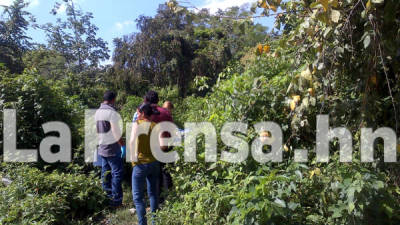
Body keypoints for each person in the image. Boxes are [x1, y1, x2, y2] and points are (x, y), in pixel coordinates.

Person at [130, 103, 164, 225]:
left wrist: (133, 159)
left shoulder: (137, 124)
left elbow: (132, 141)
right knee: (153, 194)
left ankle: (142, 223)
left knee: (138, 198)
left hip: (140, 164)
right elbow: (162, 146)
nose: (137, 115)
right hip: (154, 163)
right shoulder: (156, 126)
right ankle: (154, 221)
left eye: (138, 112)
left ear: (143, 113)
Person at [95, 91, 124, 207]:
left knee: (105, 173)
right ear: (113, 99)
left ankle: (107, 197)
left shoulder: (98, 111)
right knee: (117, 173)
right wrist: (122, 145)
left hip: (102, 147)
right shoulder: (111, 112)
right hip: (112, 148)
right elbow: (115, 130)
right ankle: (116, 201)